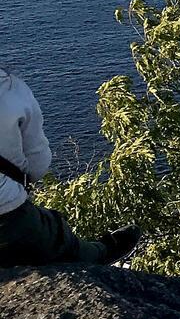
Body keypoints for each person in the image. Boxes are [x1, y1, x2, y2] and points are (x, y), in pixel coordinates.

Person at [0, 69, 138, 267]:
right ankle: (98, 254)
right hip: (8, 222)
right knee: (56, 234)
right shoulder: (10, 89)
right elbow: (37, 165)